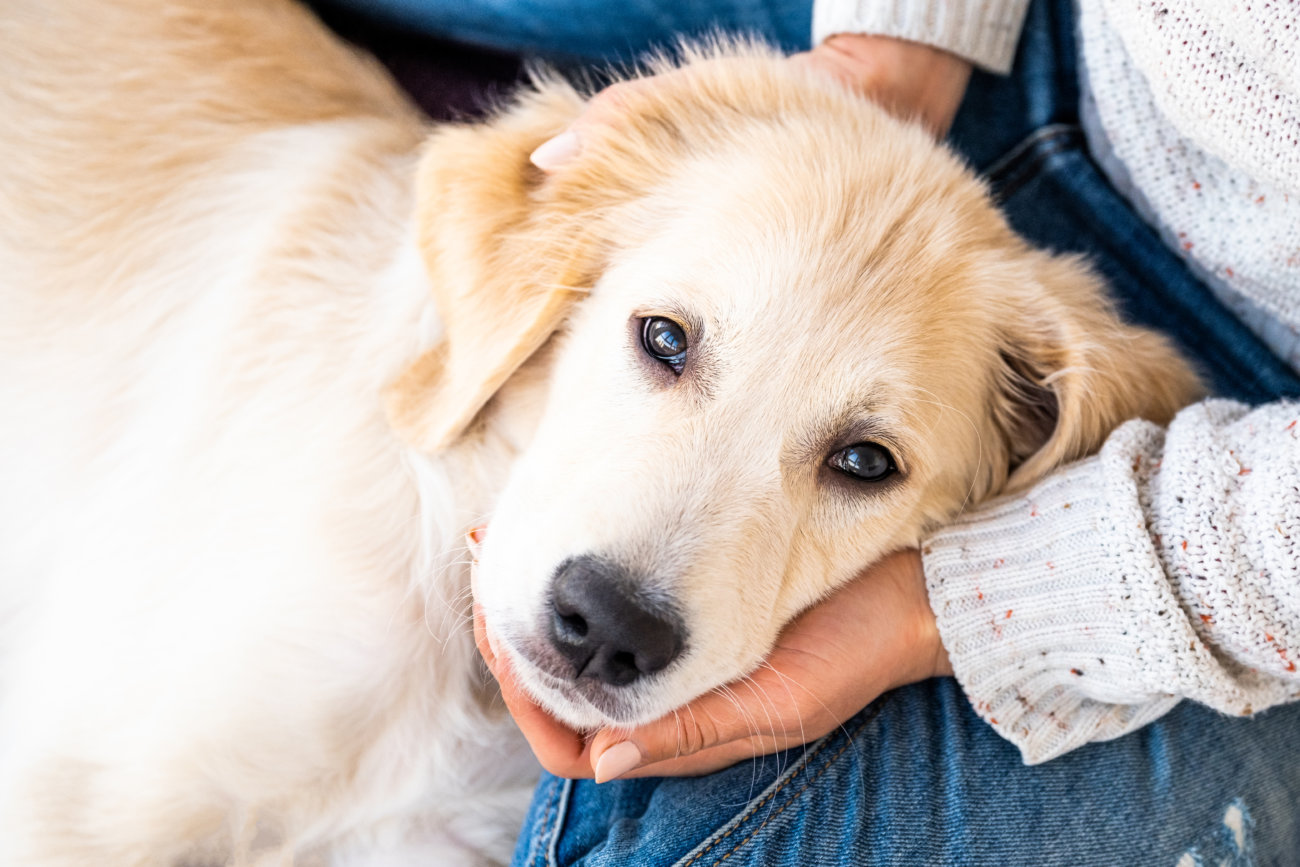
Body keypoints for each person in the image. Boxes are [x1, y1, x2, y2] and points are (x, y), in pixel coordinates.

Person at [336, 0, 1300, 861]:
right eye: (666, 341)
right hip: (1075, 44)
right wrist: (900, 41)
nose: (624, 602)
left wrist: (967, 606)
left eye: (861, 461)